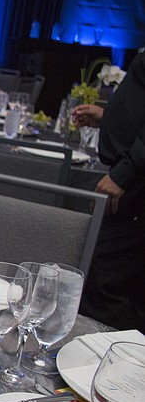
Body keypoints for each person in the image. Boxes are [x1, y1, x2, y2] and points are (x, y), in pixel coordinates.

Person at [72, 49, 145, 332]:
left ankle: (117, 364)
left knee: (104, 281)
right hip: (133, 174)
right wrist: (110, 118)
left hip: (135, 182)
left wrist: (124, 173)